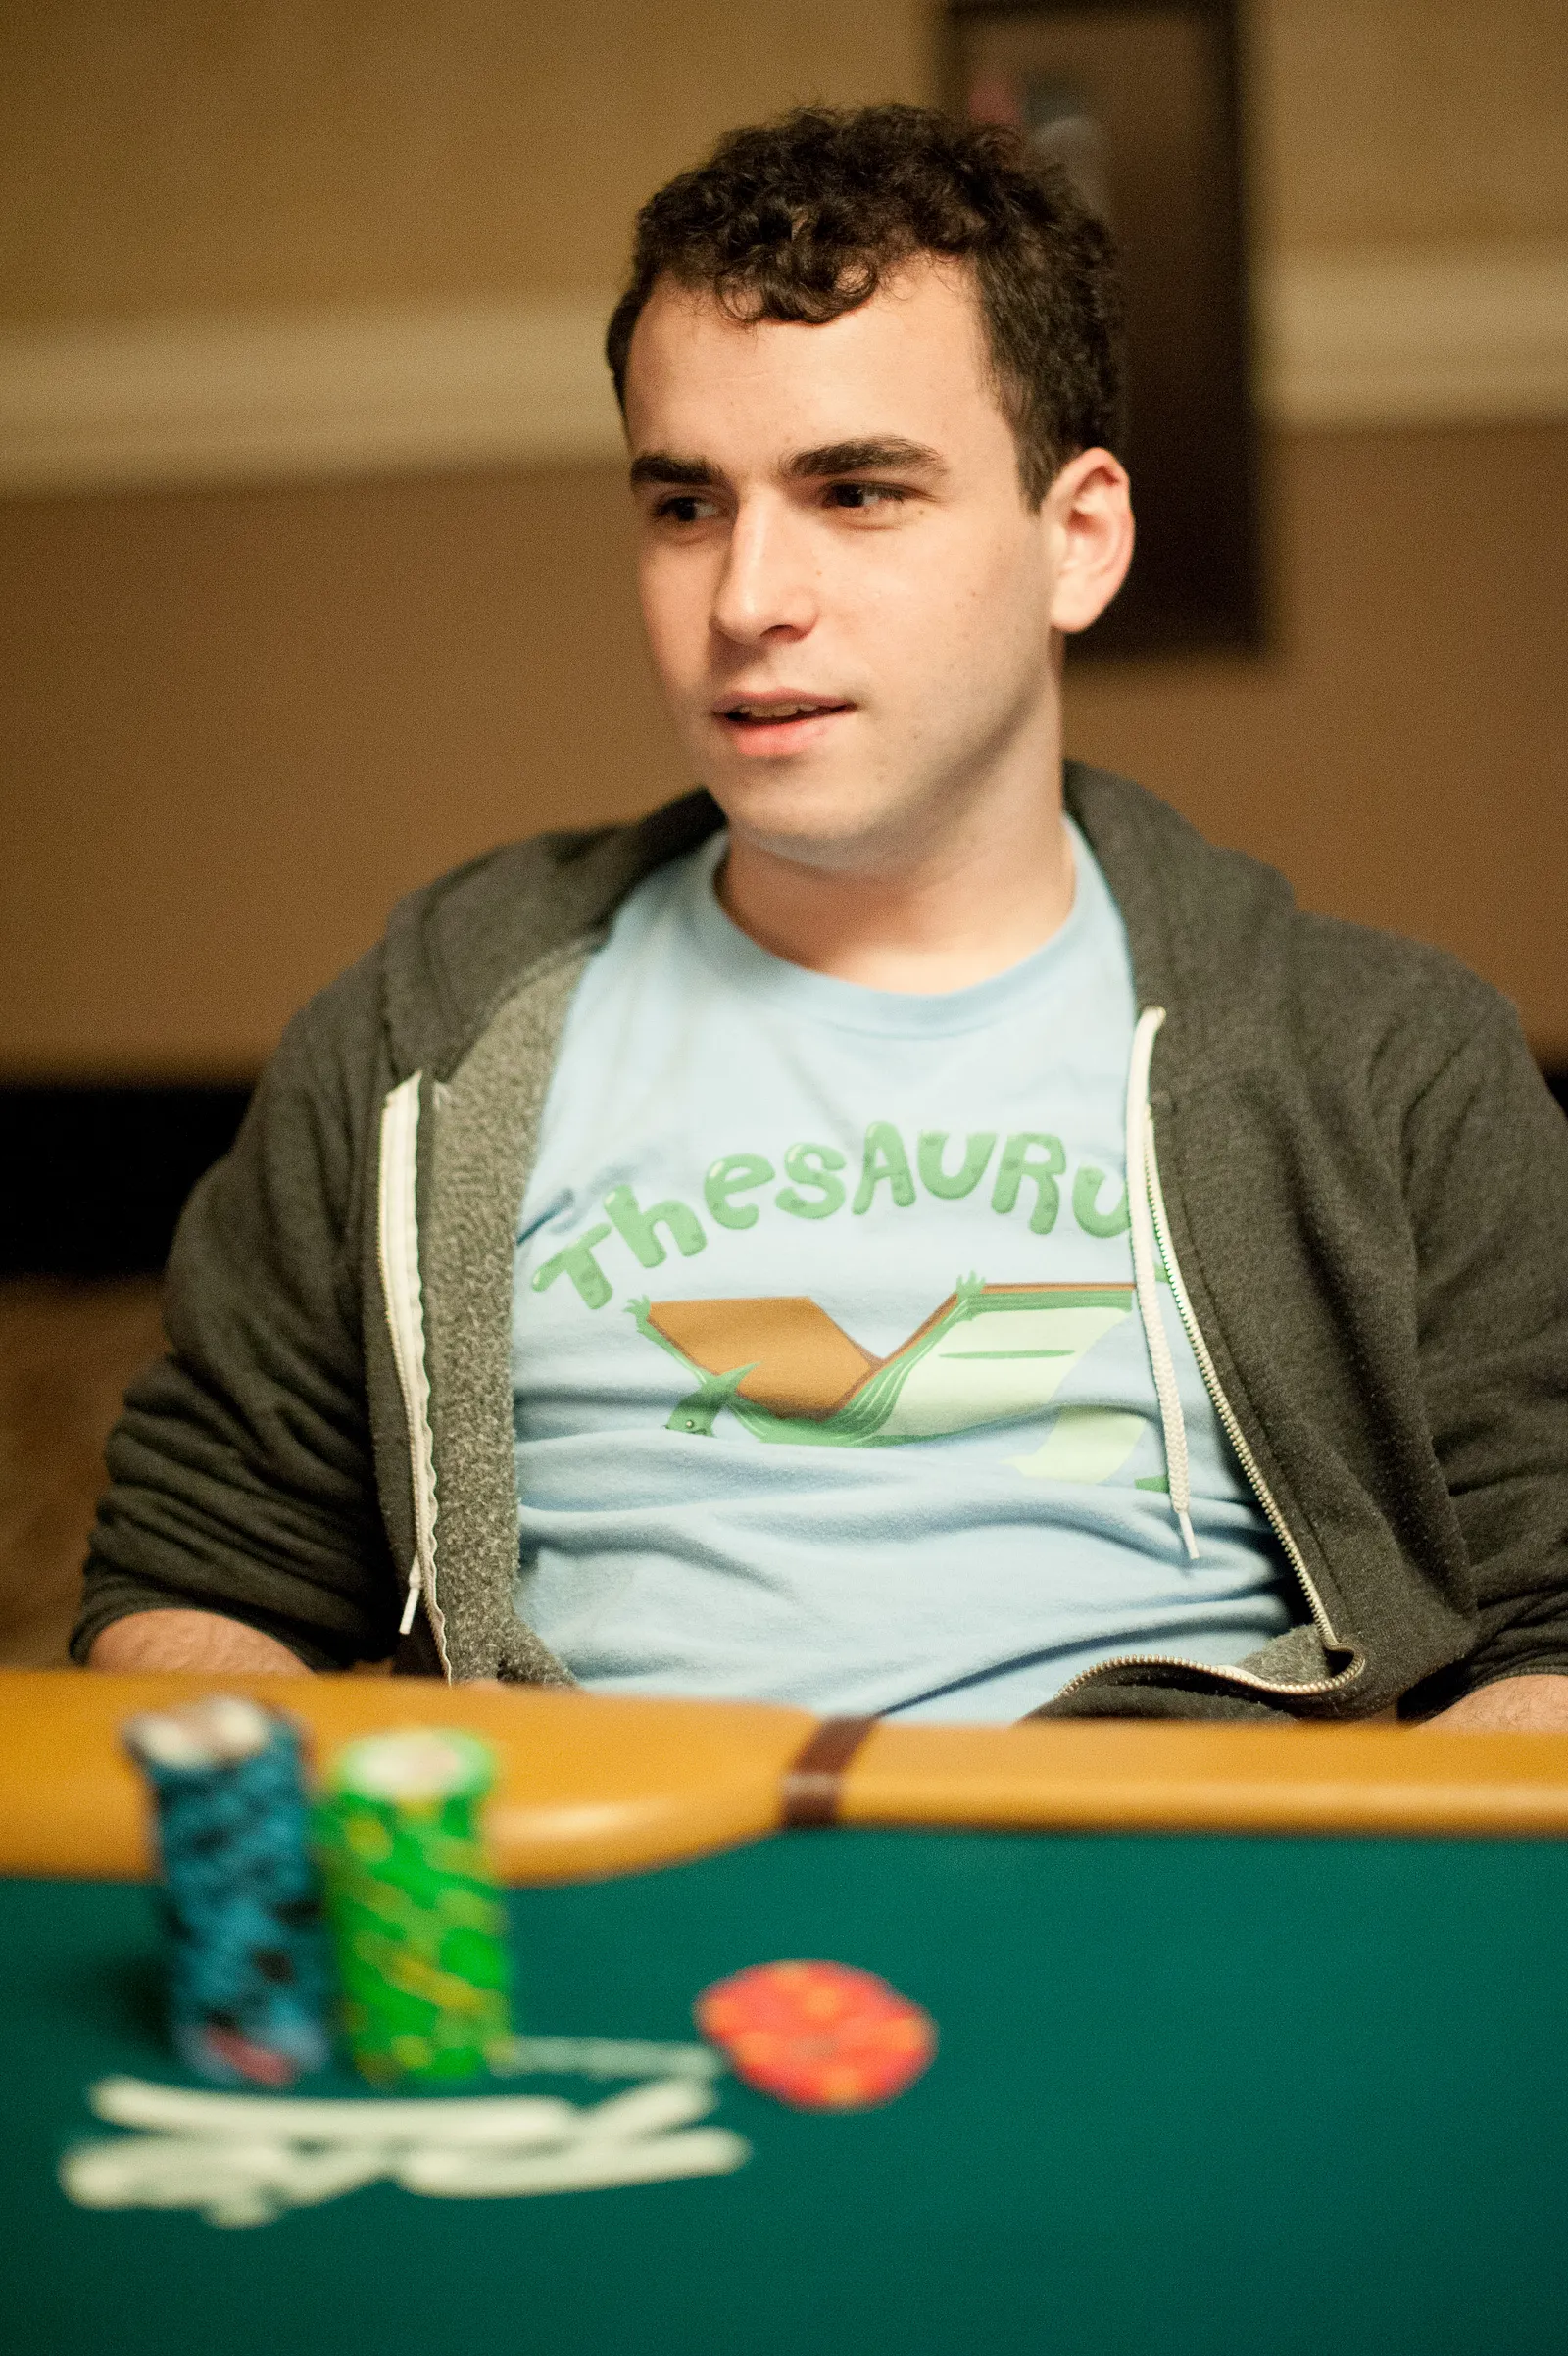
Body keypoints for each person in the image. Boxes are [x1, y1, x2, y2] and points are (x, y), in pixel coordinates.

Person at [79, 105, 1568, 1727]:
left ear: (1078, 540)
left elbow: (1546, 1633)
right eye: (686, 506)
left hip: (1170, 1851)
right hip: (593, 1851)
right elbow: (203, 1578)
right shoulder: (428, 1024)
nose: (745, 600)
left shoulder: (1383, 1066)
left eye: (855, 491)